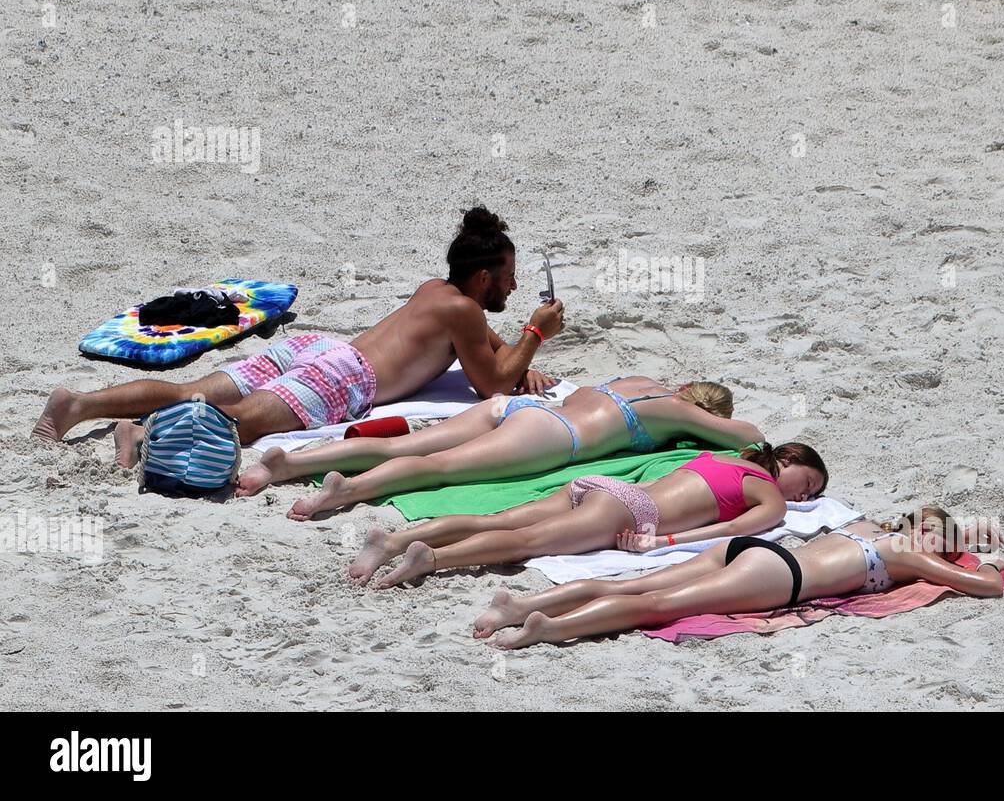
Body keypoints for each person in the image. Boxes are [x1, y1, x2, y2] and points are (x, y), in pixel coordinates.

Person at [32, 207, 563, 468]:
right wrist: (536, 333)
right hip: (345, 377)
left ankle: (77, 404)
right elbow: (492, 383)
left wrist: (522, 358)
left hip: (318, 348)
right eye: (509, 276)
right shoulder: (464, 312)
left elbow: (494, 353)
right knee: (236, 425)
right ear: (485, 277)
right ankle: (143, 438)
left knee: (188, 391)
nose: (515, 286)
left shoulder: (439, 293)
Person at [473, 504, 1004, 649]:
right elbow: (988, 586)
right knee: (657, 606)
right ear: (929, 534)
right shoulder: (912, 553)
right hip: (780, 575)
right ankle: (547, 628)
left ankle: (518, 605)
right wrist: (979, 559)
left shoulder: (869, 525)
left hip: (750, 549)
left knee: (628, 585)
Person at [278, 376, 767, 519]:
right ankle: (341, 493)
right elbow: (752, 438)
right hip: (553, 438)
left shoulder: (639, 380)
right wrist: (707, 423)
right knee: (437, 468)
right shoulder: (679, 413)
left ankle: (286, 464)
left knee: (406, 445)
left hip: (517, 408)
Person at [354, 441, 828, 587]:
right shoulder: (768, 491)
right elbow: (731, 530)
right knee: (525, 544)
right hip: (633, 508)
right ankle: (430, 559)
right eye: (806, 485)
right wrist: (663, 543)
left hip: (602, 489)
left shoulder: (723, 458)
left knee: (496, 520)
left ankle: (392, 542)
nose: (802, 500)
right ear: (785, 462)